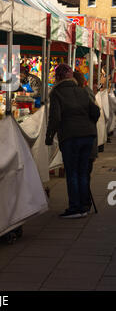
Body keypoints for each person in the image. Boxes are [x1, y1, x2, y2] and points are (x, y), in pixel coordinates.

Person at [45, 64, 100, 218]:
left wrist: (49, 136)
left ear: (58, 77)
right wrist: (88, 123)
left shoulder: (56, 93)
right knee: (82, 171)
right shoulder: (82, 91)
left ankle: (75, 207)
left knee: (72, 172)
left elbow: (55, 117)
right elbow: (95, 111)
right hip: (88, 135)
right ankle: (84, 205)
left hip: (70, 136)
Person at [73, 70, 98, 212]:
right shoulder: (86, 92)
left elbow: (94, 114)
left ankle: (83, 203)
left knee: (83, 172)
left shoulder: (83, 94)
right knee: (84, 172)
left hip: (85, 138)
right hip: (89, 137)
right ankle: (84, 201)